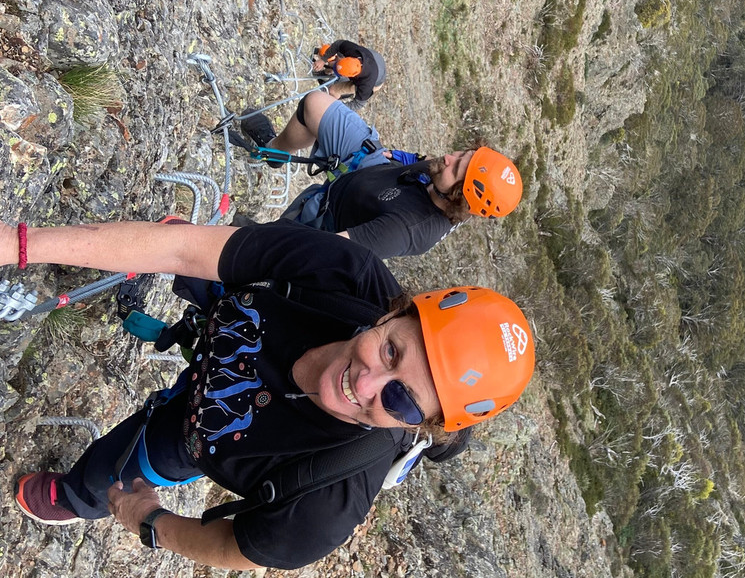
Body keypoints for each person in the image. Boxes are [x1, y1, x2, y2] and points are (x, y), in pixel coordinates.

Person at [7, 220, 534, 570]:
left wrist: (148, 522)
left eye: (400, 402)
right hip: (225, 344)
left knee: (114, 475)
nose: (365, 384)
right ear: (393, 311)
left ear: (417, 427)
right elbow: (182, 248)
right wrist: (19, 243)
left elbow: (241, 547)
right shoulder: (343, 277)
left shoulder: (332, 498)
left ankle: (75, 496)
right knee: (191, 250)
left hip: (196, 436)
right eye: (392, 351)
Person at [239, 88, 523, 259]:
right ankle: (274, 152)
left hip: (335, 212)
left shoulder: (406, 230)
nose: (449, 157)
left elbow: (327, 252)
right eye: (462, 154)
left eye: (458, 166)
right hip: (371, 167)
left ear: (459, 197)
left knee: (281, 243)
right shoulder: (443, 181)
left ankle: (259, 240)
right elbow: (425, 161)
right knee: (316, 104)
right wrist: (399, 157)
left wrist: (261, 240)